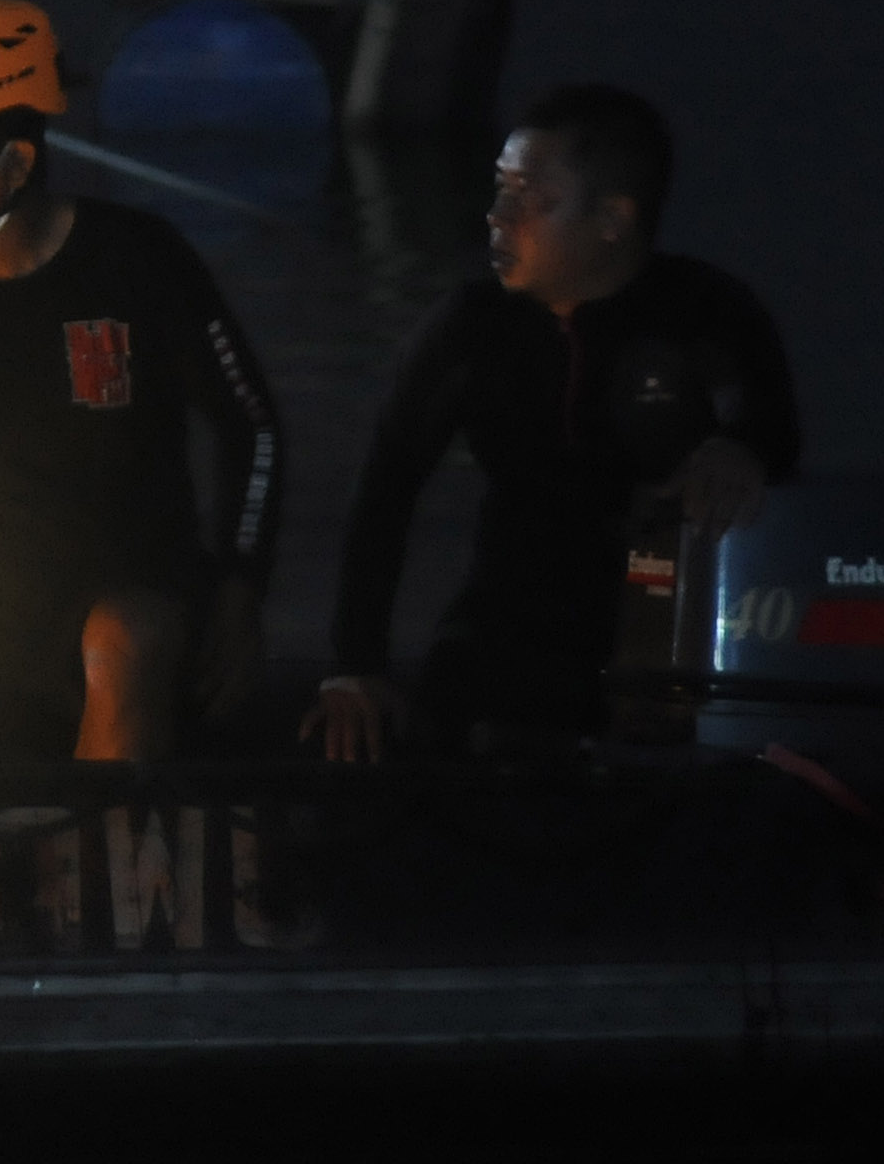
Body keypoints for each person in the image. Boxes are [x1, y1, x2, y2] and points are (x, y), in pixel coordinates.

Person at [0, 0, 281, 762]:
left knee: (121, 639)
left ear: (15, 160)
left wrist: (239, 589)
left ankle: (92, 867)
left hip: (117, 593)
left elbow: (253, 426)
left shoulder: (136, 260)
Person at [305, 83, 799, 764]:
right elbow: (386, 491)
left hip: (661, 621)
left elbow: (779, 431)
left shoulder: (708, 314)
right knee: (449, 713)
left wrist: (740, 449)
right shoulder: (468, 328)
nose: (499, 216)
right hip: (510, 606)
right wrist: (354, 660)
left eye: (533, 199)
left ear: (612, 219)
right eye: (500, 188)